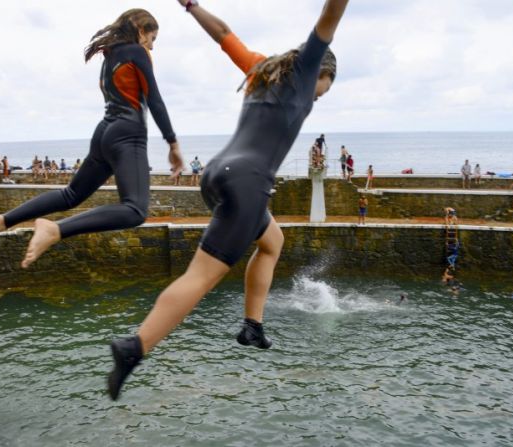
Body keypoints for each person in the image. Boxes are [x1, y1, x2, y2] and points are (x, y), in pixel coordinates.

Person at [107, 0, 348, 400]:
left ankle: (252, 326)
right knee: (200, 277)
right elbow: (331, 15)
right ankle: (135, 347)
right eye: (325, 88)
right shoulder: (306, 71)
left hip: (219, 175)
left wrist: (193, 7)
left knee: (273, 242)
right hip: (249, 183)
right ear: (322, 70)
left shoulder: (259, 69)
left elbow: (222, 35)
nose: (320, 96)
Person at [0, 9, 184, 269]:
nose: (152, 46)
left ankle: (1, 221)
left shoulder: (110, 56)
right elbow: (155, 99)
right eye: (152, 39)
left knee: (72, 194)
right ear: (140, 30)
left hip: (104, 133)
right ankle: (55, 230)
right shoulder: (136, 52)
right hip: (128, 135)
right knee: (135, 210)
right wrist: (172, 143)